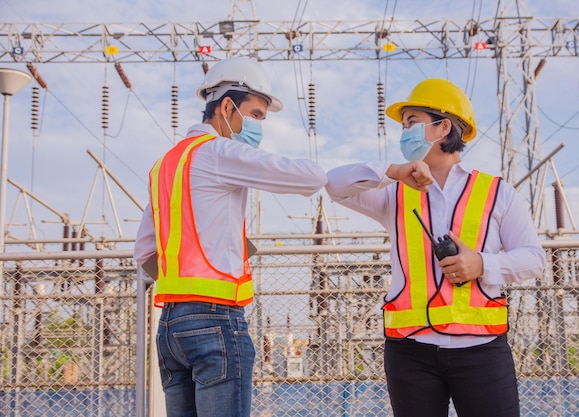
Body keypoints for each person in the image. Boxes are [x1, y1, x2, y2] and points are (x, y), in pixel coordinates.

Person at [325, 78, 546, 417]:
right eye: (403, 126)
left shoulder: (497, 192)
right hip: (410, 353)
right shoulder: (392, 192)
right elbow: (335, 184)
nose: (404, 133)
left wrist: (482, 265)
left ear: (443, 127)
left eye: (412, 123)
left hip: (482, 350)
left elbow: (535, 259)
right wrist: (394, 171)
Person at [134, 56, 327, 417]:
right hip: (215, 320)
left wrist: (196, 266)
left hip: (171, 326)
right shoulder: (219, 151)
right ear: (226, 107)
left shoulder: (166, 164)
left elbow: (145, 251)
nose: (257, 127)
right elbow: (311, 178)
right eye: (254, 115)